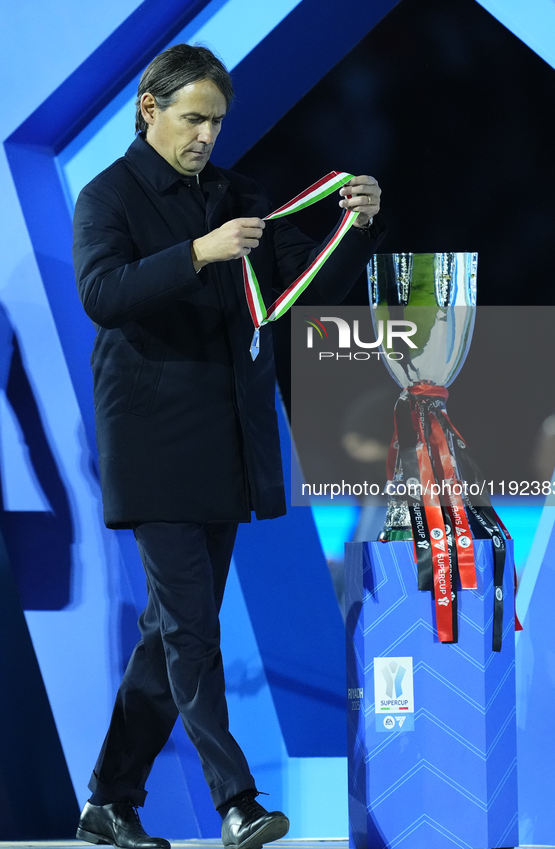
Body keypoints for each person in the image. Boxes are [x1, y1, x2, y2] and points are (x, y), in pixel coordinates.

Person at [72, 43, 384, 849]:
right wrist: (199, 254)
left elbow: (292, 297)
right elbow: (102, 294)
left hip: (225, 438)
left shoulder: (235, 194)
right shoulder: (107, 197)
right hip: (150, 437)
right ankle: (237, 800)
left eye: (216, 120)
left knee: (173, 627)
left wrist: (351, 229)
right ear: (150, 108)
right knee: (192, 630)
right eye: (193, 118)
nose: (206, 135)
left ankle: (110, 799)